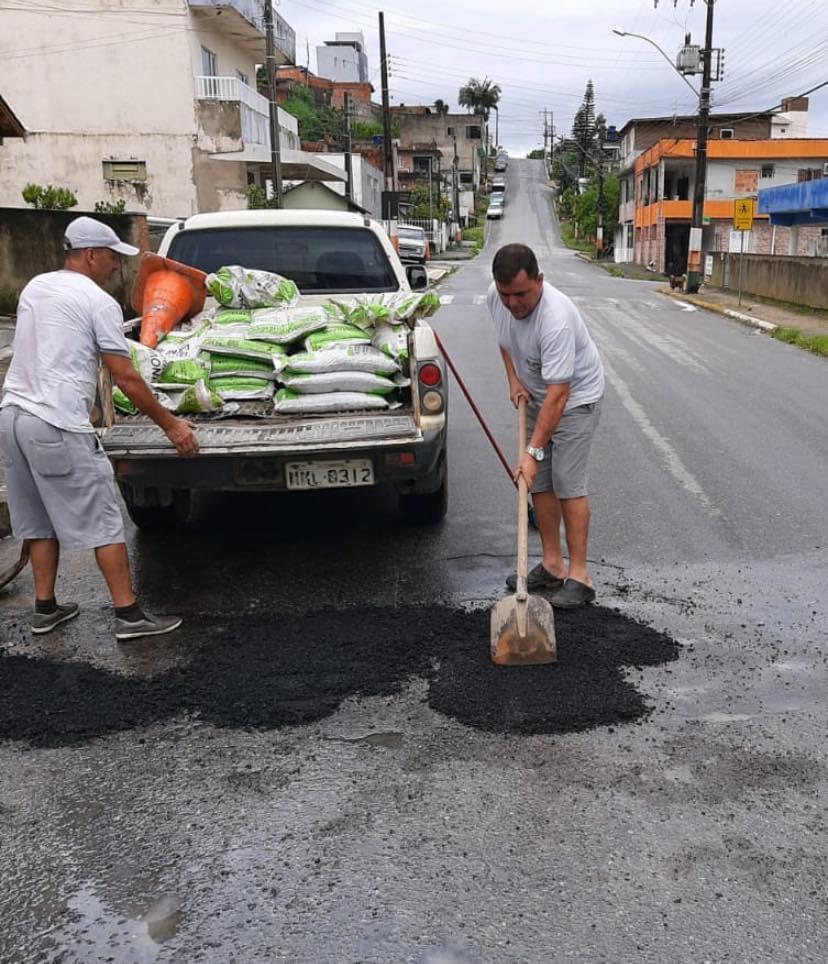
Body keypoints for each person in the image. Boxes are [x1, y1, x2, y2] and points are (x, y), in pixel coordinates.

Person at [0, 216, 199, 639]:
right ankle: (129, 616)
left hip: (13, 416)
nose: (116, 267)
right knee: (104, 521)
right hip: (56, 421)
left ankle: (45, 608)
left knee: (36, 520)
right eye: (111, 258)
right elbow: (125, 376)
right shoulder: (98, 302)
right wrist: (170, 425)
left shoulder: (36, 287)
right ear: (90, 255)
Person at [488, 243, 604, 609]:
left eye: (521, 294)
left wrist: (533, 451)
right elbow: (504, 341)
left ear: (539, 280)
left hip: (574, 399)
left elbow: (560, 395)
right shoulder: (497, 297)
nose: (513, 304)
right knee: (537, 483)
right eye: (507, 295)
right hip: (537, 395)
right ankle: (552, 565)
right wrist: (513, 381)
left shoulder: (555, 319)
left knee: (567, 483)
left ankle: (580, 574)